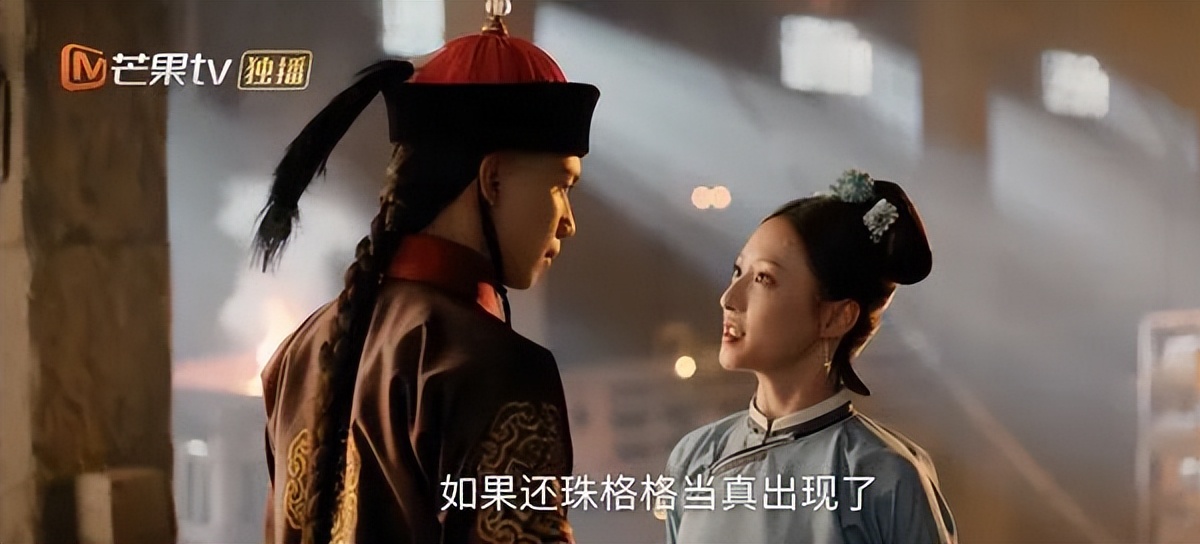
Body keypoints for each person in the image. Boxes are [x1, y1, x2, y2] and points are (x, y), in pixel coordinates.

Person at [256, 2, 599, 543]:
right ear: (492, 180)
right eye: (561, 184)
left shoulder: (300, 349)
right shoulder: (493, 367)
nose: (568, 223)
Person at [663, 170, 957, 544]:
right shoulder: (695, 458)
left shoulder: (884, 476)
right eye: (738, 271)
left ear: (835, 317)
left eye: (763, 279)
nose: (729, 299)